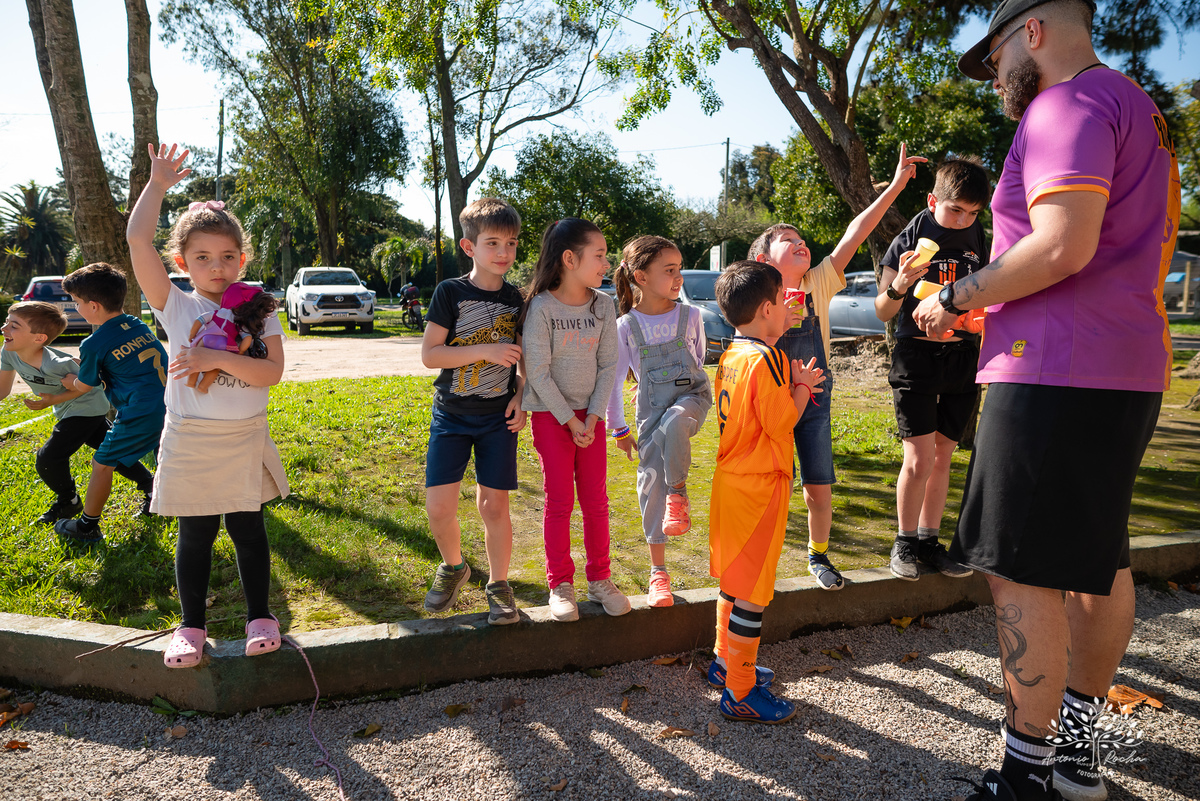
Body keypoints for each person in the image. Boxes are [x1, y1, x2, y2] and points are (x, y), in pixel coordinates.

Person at [917, 2, 1180, 799]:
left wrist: (958, 293)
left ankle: (1026, 775)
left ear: (1030, 30)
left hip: (1052, 368)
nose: (995, 74)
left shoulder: (1065, 104)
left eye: (994, 54)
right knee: (1099, 563)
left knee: (1020, 571)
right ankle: (1077, 759)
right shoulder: (1139, 107)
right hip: (1125, 362)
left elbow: (1063, 243)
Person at [129, 143, 290, 669]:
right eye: (202, 257)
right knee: (194, 534)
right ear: (182, 262)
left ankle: (261, 618)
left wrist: (207, 359)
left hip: (244, 434)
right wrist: (157, 186)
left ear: (242, 260)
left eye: (227, 257)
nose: (216, 267)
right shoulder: (175, 304)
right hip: (191, 437)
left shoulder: (259, 309)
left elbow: (270, 372)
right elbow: (136, 240)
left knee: (249, 530)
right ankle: (191, 627)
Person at [748, 144, 926, 591]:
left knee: (818, 489)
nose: (801, 243)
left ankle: (818, 556)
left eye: (802, 239)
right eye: (789, 241)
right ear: (763, 260)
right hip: (771, 402)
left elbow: (856, 231)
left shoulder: (819, 283)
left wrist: (898, 186)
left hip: (816, 401)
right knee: (770, 488)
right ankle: (757, 558)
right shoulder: (753, 296)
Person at [709, 261, 825, 724]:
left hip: (731, 483)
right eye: (782, 301)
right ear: (765, 308)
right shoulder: (766, 360)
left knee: (733, 583)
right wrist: (802, 388)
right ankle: (740, 690)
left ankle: (725, 663)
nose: (787, 309)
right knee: (754, 593)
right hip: (759, 487)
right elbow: (781, 423)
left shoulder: (733, 353)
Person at [874, 156, 990, 581]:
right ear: (932, 199)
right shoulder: (912, 235)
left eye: (974, 212)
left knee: (944, 456)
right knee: (919, 458)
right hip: (917, 358)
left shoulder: (979, 235)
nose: (963, 220)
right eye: (955, 209)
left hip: (963, 358)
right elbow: (881, 310)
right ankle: (903, 542)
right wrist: (901, 284)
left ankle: (928, 542)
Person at [420, 198, 527, 626]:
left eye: (512, 243)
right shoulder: (451, 292)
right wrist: (485, 350)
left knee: (494, 507)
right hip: (451, 415)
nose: (503, 252)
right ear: (469, 247)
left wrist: (521, 395)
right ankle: (454, 566)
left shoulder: (520, 299)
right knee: (439, 509)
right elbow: (430, 355)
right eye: (493, 243)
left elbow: (523, 362)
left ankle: (499, 584)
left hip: (498, 418)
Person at [522, 218, 629, 622]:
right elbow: (539, 370)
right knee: (560, 501)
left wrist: (594, 417)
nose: (606, 262)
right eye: (599, 255)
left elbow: (608, 367)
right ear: (570, 258)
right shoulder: (541, 307)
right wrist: (571, 421)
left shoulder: (604, 305)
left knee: (596, 501)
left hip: (593, 419)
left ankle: (600, 580)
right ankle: (560, 584)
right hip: (552, 419)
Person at [608, 236, 711, 609]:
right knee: (650, 484)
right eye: (669, 270)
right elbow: (615, 382)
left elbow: (697, 360)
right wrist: (619, 429)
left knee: (676, 422)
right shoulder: (624, 326)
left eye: (679, 268)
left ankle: (679, 493)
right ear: (641, 276)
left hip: (691, 400)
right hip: (649, 415)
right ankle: (658, 574)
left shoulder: (692, 316)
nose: (678, 277)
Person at [1, 301, 155, 526]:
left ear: (39, 338)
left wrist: (56, 397)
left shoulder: (59, 364)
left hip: (87, 409)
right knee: (113, 452)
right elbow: (3, 390)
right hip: (70, 411)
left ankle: (68, 501)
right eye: (7, 322)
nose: (4, 329)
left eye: (14, 325)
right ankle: (151, 486)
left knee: (49, 458)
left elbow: (93, 383)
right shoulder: (9, 352)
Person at [52, 263, 167, 543]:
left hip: (140, 410)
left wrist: (71, 383)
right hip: (169, 402)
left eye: (76, 302)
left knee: (102, 463)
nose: (75, 307)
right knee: (165, 455)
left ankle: (87, 527)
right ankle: (160, 500)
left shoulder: (93, 342)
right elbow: (121, 361)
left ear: (93, 306)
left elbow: (85, 384)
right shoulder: (138, 324)